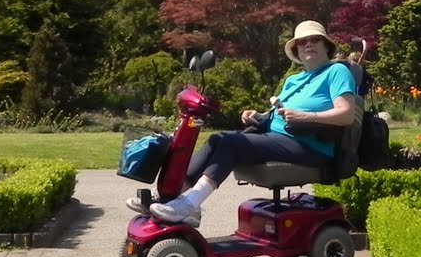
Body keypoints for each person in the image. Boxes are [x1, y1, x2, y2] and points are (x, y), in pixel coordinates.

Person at [133, 20, 359, 226]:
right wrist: (257, 115)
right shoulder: (293, 80)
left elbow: (346, 115)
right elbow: (277, 112)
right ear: (297, 49)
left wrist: (305, 117)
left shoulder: (336, 72)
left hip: (310, 146)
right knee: (217, 139)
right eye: (302, 42)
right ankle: (171, 196)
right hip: (279, 137)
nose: (308, 45)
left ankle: (190, 203)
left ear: (326, 46)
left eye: (314, 40)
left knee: (233, 144)